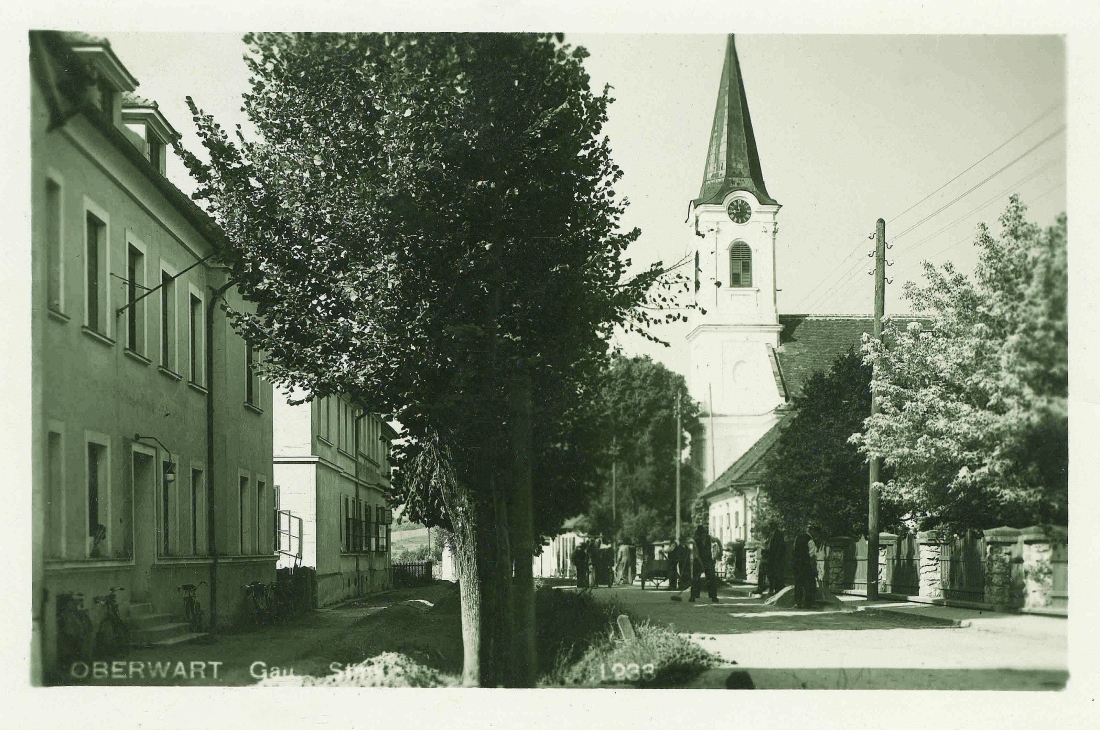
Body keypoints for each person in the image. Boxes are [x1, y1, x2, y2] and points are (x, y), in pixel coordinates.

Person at [689, 523, 719, 603]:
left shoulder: (709, 538)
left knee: (711, 578)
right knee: (696, 578)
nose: (702, 536)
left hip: (708, 560)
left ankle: (714, 596)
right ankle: (693, 596)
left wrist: (718, 553)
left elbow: (718, 541)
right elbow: (697, 554)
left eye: (703, 534)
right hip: (698, 560)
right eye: (700, 534)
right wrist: (701, 564)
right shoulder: (695, 540)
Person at [791, 529, 817, 609]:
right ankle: (808, 603)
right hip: (806, 564)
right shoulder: (810, 539)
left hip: (797, 564)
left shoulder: (798, 537)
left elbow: (794, 549)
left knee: (798, 583)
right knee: (809, 583)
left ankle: (798, 602)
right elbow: (811, 554)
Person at [767, 526, 787, 595]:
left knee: (776, 574)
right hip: (772, 557)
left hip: (776, 558)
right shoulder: (771, 534)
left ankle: (776, 589)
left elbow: (780, 547)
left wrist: (777, 557)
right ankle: (772, 588)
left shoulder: (778, 534)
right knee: (771, 573)